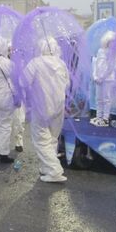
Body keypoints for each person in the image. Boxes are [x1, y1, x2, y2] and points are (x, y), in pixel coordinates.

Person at [21, 37, 70, 183]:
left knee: (41, 139)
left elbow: (23, 82)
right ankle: (46, 167)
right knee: (53, 138)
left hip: (41, 106)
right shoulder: (61, 63)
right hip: (59, 105)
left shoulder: (35, 63)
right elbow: (67, 84)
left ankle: (54, 171)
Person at [91, 31, 116, 126]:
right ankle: (99, 116)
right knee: (98, 98)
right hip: (98, 78)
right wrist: (95, 76)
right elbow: (96, 64)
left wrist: (102, 77)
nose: (112, 44)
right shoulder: (100, 51)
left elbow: (111, 67)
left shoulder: (114, 53)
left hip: (108, 79)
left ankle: (105, 118)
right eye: (110, 41)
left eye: (113, 42)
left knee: (106, 98)